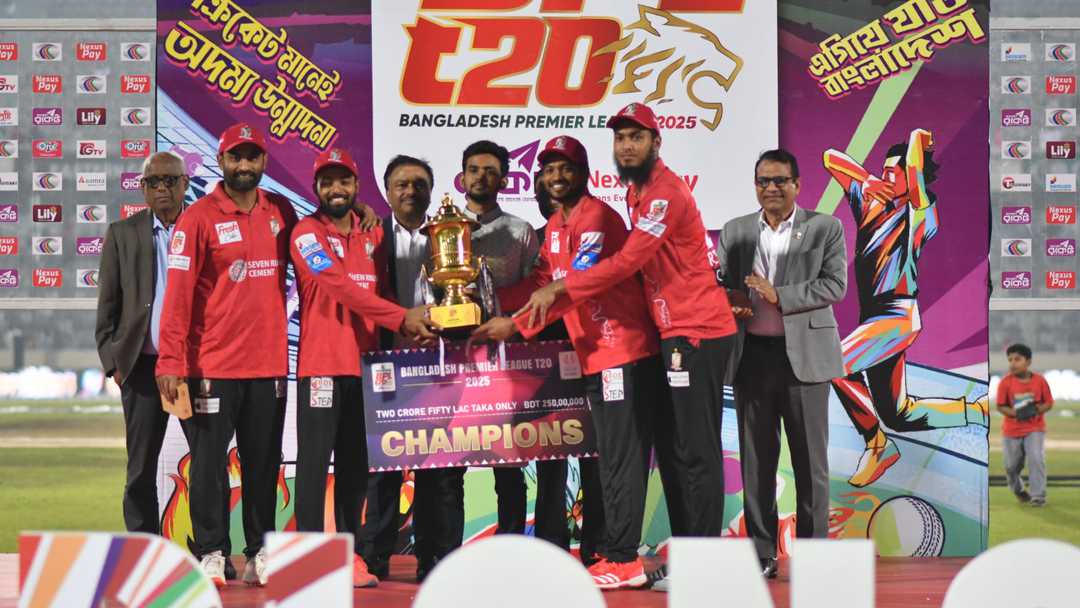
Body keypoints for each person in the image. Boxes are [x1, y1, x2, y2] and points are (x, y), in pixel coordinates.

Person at [518, 104, 738, 557]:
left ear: (657, 142)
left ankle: (705, 557)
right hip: (670, 332)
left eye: (636, 137)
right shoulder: (635, 191)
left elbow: (626, 263)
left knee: (695, 449)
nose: (626, 146)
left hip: (697, 329)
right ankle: (690, 550)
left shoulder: (663, 193)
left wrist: (558, 288)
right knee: (677, 448)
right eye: (620, 139)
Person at [471, 135, 664, 589]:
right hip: (595, 355)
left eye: (566, 168)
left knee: (620, 458)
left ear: (584, 173)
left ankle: (622, 557)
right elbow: (539, 282)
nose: (556, 176)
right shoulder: (557, 224)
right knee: (610, 455)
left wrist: (513, 325)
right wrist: (481, 303)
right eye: (549, 169)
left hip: (623, 352)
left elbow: (575, 284)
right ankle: (617, 554)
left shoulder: (596, 216)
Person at [156, 123, 298, 587]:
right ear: (221, 162)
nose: (244, 165)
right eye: (236, 156)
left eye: (252, 156)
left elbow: (319, 245)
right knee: (209, 466)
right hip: (212, 368)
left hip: (269, 367)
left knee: (264, 464)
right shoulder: (197, 218)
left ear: (263, 162)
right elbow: (177, 298)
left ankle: (260, 551)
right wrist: (171, 362)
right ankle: (212, 551)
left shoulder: (281, 211)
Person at [291, 148, 439, 588]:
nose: (336, 189)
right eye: (327, 182)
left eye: (344, 181)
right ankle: (310, 558)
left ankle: (349, 554)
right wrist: (402, 318)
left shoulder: (373, 232)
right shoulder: (305, 233)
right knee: (314, 466)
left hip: (367, 366)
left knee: (356, 470)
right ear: (317, 188)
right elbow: (340, 288)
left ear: (357, 186)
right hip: (321, 368)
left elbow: (384, 292)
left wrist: (417, 325)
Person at [824, 129, 988, 487]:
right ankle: (977, 411)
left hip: (897, 315)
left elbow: (914, 169)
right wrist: (867, 179)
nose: (885, 175)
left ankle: (877, 445)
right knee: (898, 413)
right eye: (883, 169)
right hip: (875, 319)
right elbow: (831, 157)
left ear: (912, 179)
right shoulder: (869, 199)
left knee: (835, 363)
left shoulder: (919, 214)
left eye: (892, 171)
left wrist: (916, 137)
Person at [716, 149, 846, 578]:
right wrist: (731, 302)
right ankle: (761, 554)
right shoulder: (735, 231)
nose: (771, 188)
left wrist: (779, 295)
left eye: (779, 181)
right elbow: (721, 285)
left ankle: (814, 556)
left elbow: (835, 285)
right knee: (756, 463)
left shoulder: (825, 227)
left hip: (805, 359)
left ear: (797, 185)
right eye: (763, 181)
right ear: (755, 186)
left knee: (811, 464)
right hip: (751, 357)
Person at [358, 154, 462, 583]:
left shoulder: (452, 236)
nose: (410, 191)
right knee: (382, 469)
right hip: (385, 364)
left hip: (440, 364)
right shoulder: (368, 235)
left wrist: (442, 330)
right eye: (401, 184)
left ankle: (439, 559)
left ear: (431, 191)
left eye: (419, 184)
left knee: (442, 470)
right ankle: (374, 557)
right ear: (386, 192)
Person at [459, 140, 541, 538]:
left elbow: (536, 290)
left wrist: (513, 326)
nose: (481, 177)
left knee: (508, 461)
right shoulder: (440, 229)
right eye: (474, 169)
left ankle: (511, 542)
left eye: (491, 171)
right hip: (452, 358)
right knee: (447, 462)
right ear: (462, 177)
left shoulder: (520, 231)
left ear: (505, 180)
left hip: (504, 360)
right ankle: (440, 551)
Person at [996, 343, 1053, 507]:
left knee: (1036, 458)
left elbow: (1049, 402)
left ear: (1028, 361)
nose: (1013, 363)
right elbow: (1000, 406)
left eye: (1017, 359)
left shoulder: (1040, 381)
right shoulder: (1005, 383)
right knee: (1011, 466)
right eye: (1010, 360)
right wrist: (1016, 413)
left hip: (1034, 428)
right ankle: (1019, 490)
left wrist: (1035, 410)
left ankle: (1038, 496)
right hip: (1011, 431)